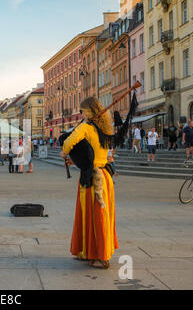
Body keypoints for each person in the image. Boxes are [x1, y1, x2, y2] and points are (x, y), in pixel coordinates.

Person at [60, 96, 118, 269]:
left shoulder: (85, 127)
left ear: (90, 111)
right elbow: (106, 156)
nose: (81, 113)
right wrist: (77, 161)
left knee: (95, 216)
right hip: (105, 176)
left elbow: (69, 141)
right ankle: (88, 252)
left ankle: (101, 256)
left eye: (83, 110)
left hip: (92, 179)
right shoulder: (106, 129)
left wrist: (64, 153)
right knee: (98, 216)